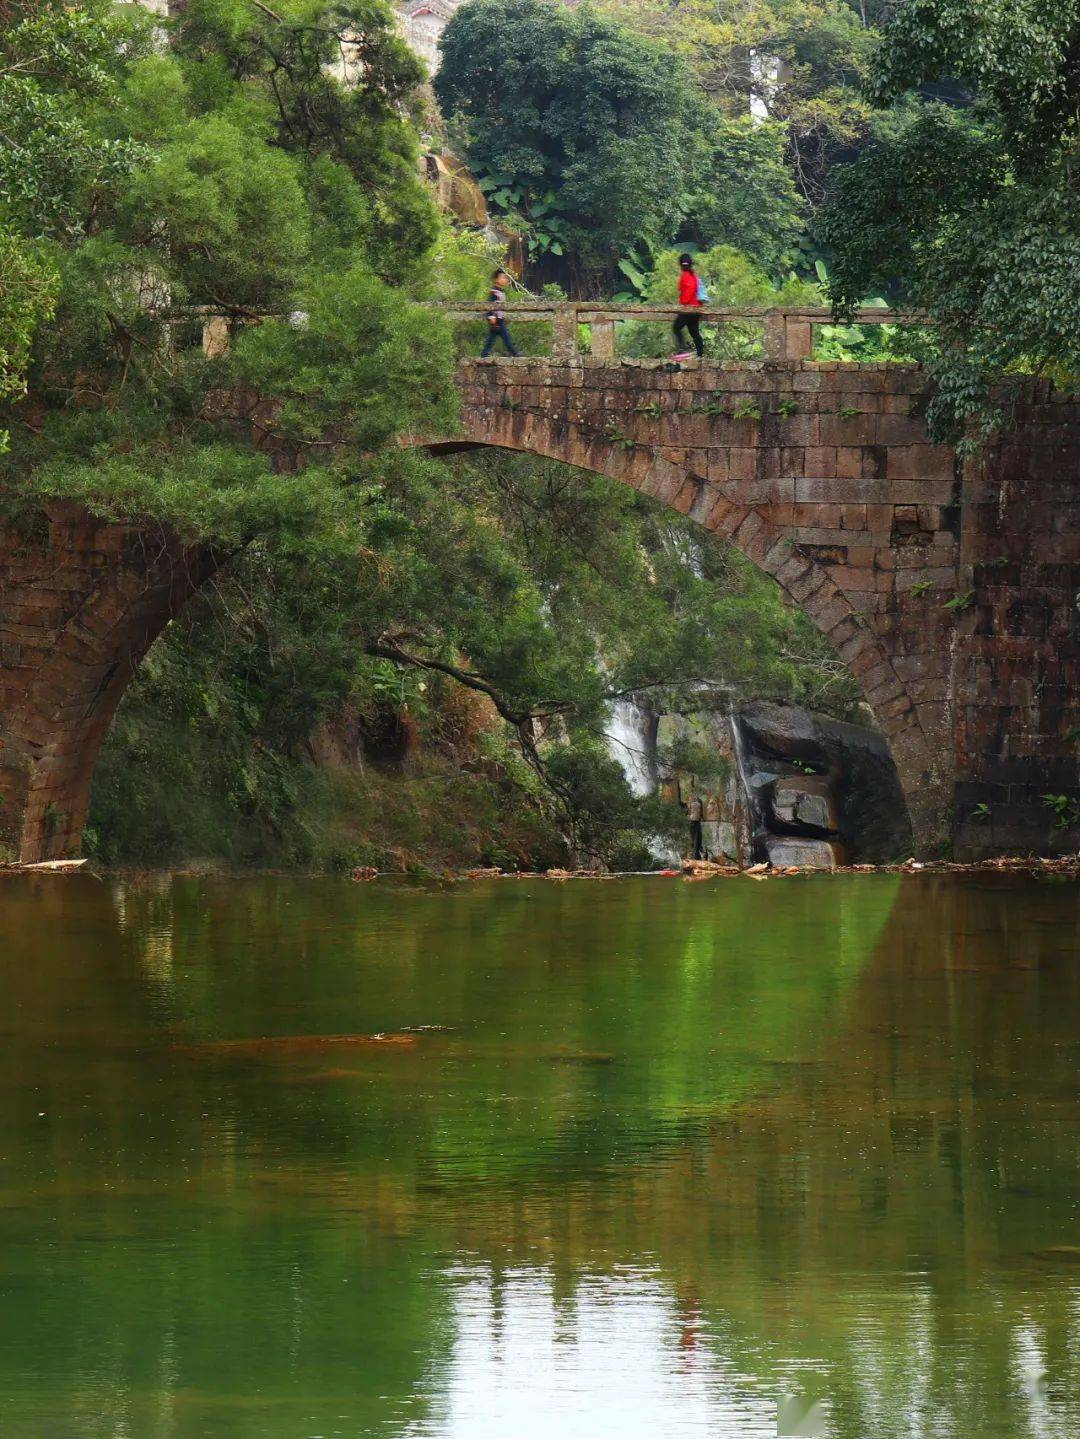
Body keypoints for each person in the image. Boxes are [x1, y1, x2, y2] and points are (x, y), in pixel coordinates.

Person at [672, 253, 705, 360]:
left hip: (688, 309)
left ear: (680, 264)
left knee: (676, 328)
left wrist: (684, 302)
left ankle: (684, 349)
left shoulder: (685, 274)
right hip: (696, 309)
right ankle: (700, 355)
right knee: (694, 332)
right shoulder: (693, 275)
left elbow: (690, 288)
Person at [481, 269, 520, 358]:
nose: (505, 280)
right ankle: (515, 353)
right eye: (502, 278)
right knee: (506, 337)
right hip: (496, 319)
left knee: (492, 338)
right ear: (496, 280)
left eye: (505, 278)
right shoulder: (494, 291)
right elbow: (490, 304)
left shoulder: (501, 291)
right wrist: (491, 316)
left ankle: (484, 354)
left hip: (499, 318)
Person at [687, 791, 705, 860]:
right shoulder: (697, 803)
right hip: (695, 821)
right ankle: (696, 855)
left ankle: (696, 855)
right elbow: (700, 813)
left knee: (695, 838)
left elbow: (689, 811)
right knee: (697, 839)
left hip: (693, 821)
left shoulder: (694, 803)